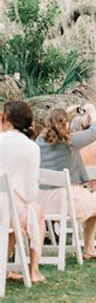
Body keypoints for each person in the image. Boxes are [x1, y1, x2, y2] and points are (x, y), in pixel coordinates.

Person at [36, 105, 96, 263]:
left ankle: (89, 249)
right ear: (66, 124)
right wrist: (92, 111)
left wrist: (64, 113)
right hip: (65, 200)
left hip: (42, 201)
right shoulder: (70, 141)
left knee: (94, 202)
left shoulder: (40, 142)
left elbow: (49, 130)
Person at [0, 101, 45, 283]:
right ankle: (34, 270)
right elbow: (30, 192)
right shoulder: (31, 147)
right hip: (10, 210)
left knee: (10, 220)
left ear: (7, 119)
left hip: (5, 210)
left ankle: (3, 269)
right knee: (37, 211)